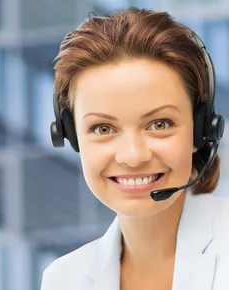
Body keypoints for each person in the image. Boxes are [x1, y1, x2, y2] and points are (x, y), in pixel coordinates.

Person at [41, 7, 229, 290]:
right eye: (103, 129)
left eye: (160, 124)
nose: (133, 156)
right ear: (71, 135)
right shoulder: (66, 279)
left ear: (201, 129)